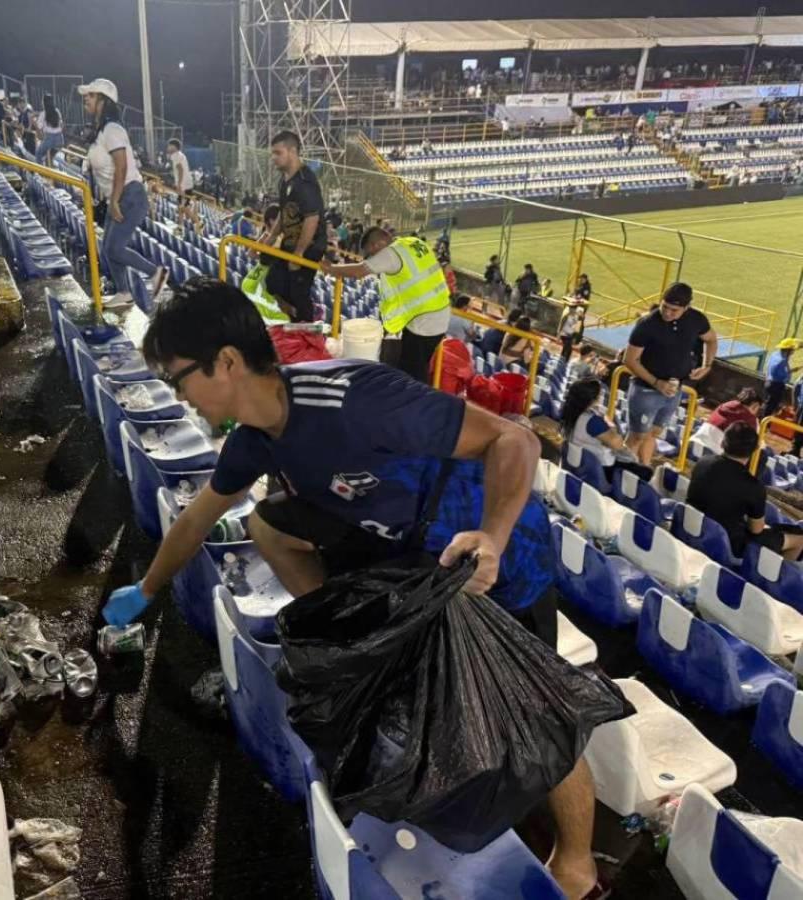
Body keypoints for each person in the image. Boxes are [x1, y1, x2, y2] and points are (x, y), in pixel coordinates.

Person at [105, 277, 603, 900]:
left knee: (535, 714)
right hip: (413, 557)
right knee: (269, 522)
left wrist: (493, 537)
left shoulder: (355, 399)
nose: (179, 395)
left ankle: (578, 863)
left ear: (225, 362)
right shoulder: (256, 439)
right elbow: (197, 518)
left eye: (180, 377)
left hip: (493, 554)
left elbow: (515, 438)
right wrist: (147, 591)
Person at [78, 77, 166, 308]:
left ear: (104, 101)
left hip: (129, 195)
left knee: (115, 248)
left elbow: (122, 165)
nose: (86, 98)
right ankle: (124, 291)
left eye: (92, 95)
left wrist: (115, 200)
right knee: (108, 249)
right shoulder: (101, 132)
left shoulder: (113, 129)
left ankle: (156, 272)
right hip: (117, 196)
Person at [322, 227, 451, 381]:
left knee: (412, 370)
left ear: (375, 245)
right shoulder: (412, 242)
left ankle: (413, 401)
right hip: (440, 312)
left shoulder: (390, 253)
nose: (372, 258)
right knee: (418, 365)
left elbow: (359, 271)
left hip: (423, 321)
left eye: (370, 254)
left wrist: (331, 269)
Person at [622, 282, 717, 467]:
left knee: (653, 433)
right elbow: (630, 360)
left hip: (674, 388)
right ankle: (623, 472)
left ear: (686, 308)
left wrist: (707, 364)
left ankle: (643, 470)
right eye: (665, 307)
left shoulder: (696, 320)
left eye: (674, 310)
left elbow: (711, 339)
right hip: (646, 389)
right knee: (637, 436)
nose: (667, 313)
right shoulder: (647, 324)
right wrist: (656, 383)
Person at [688, 422, 803, 561]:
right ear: (754, 450)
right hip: (727, 543)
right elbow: (756, 530)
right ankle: (772, 579)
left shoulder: (703, 462)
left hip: (691, 525)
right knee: (799, 540)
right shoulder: (753, 486)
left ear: (723, 442)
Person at [262, 130, 325, 323]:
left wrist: (299, 253)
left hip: (309, 246)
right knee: (273, 281)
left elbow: (312, 218)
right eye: (272, 153)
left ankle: (306, 332)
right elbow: (283, 213)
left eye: (278, 153)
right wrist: (269, 239)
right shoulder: (285, 181)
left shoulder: (304, 182)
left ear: (292, 151)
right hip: (290, 244)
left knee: (298, 293)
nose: (273, 158)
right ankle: (294, 320)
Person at [560, 378, 653, 482]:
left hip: (577, 464)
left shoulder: (568, 412)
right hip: (601, 469)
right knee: (646, 472)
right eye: (600, 394)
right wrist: (611, 426)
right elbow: (617, 444)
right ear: (593, 398)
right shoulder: (592, 421)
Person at [694, 387, 763, 454]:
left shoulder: (724, 405)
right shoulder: (750, 419)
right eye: (758, 410)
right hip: (712, 455)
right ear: (755, 406)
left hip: (692, 444)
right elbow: (757, 445)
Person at [763, 337, 799, 418]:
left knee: (768, 403)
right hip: (776, 385)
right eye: (792, 349)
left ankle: (764, 419)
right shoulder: (781, 361)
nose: (793, 351)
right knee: (772, 405)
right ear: (788, 350)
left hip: (768, 382)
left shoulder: (775, 354)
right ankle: (765, 423)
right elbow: (782, 376)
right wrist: (791, 372)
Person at [34, 93, 63, 167]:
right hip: (60, 139)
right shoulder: (57, 111)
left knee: (38, 154)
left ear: (43, 103)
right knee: (49, 158)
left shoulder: (43, 114)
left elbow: (39, 127)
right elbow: (61, 124)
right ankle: (53, 171)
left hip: (50, 139)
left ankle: (40, 172)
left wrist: (34, 122)